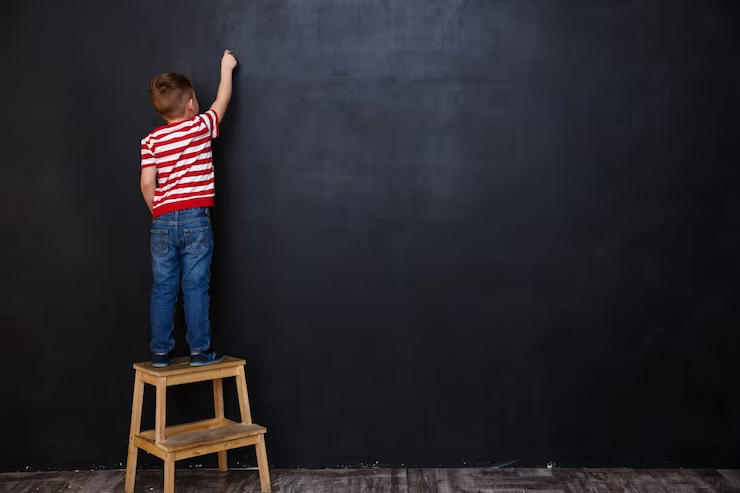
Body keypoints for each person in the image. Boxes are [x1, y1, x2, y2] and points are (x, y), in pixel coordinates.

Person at [139, 50, 237, 367]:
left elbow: (146, 183)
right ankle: (199, 351)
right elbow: (222, 101)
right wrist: (227, 68)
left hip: (162, 219)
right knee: (196, 287)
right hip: (196, 217)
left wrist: (159, 211)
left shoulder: (151, 141)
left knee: (163, 288)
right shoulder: (200, 126)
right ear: (192, 104)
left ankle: (160, 353)